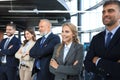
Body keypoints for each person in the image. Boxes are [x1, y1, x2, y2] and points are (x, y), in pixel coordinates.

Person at [84, 1, 120, 80]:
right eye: (103, 12)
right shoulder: (96, 38)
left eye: (110, 11)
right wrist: (112, 65)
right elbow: (87, 64)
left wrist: (98, 61)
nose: (105, 14)